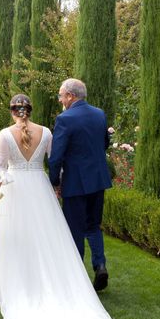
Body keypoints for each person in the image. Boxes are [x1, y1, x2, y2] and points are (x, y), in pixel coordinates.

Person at [0, 94, 114, 319]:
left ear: (12, 111)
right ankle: (49, 281)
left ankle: (21, 284)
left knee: (17, 237)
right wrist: (56, 186)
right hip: (40, 187)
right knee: (45, 236)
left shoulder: (4, 134)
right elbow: (57, 161)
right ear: (29, 110)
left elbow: (0, 167)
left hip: (15, 190)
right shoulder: (45, 132)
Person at [48, 78, 113, 291]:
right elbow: (104, 143)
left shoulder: (64, 119)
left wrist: (54, 181)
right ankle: (100, 265)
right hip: (98, 180)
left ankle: (78, 278)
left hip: (75, 183)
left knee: (74, 229)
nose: (60, 100)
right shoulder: (99, 114)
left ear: (70, 96)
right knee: (93, 226)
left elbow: (56, 156)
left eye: (61, 95)